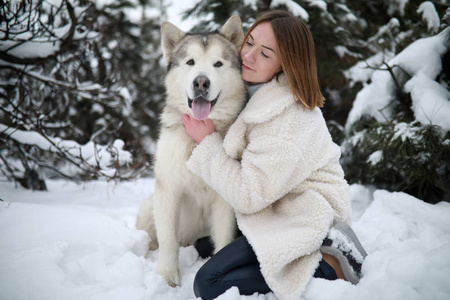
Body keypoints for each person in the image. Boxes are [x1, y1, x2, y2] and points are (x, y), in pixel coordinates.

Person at [182, 10, 367, 300]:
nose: (249, 55)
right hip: (274, 204)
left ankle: (332, 263)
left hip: (304, 215)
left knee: (209, 282)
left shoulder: (286, 117)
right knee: (205, 245)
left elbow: (248, 195)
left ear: (286, 65)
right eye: (250, 42)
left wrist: (207, 144)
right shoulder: (256, 89)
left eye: (265, 53)